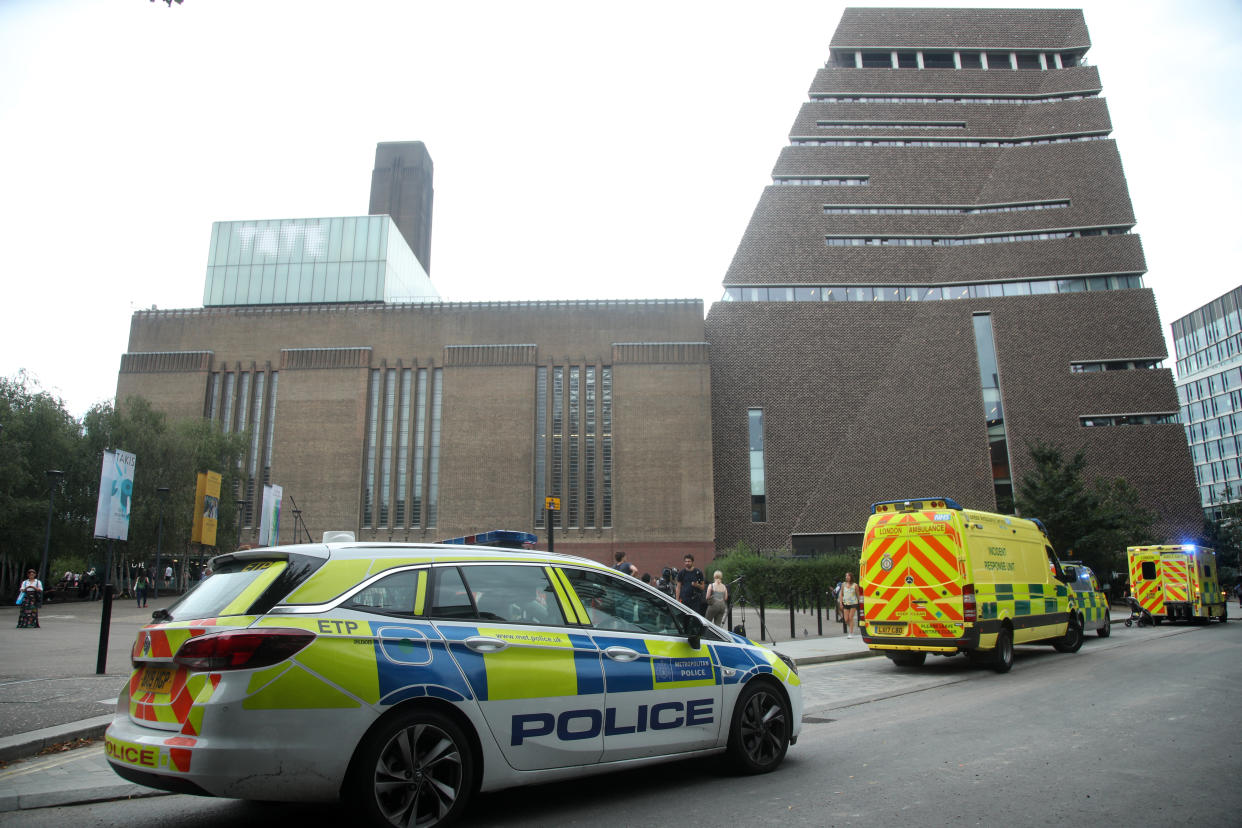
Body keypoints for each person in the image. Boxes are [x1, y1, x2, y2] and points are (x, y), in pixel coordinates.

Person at [839, 571, 860, 638]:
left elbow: (858, 594)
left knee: (851, 617)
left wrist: (860, 603)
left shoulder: (855, 585)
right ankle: (852, 626)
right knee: (846, 619)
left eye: (848, 576)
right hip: (846, 603)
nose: (846, 577)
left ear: (851, 577)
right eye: (846, 576)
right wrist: (841, 603)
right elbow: (841, 594)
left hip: (853, 603)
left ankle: (851, 632)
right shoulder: (843, 584)